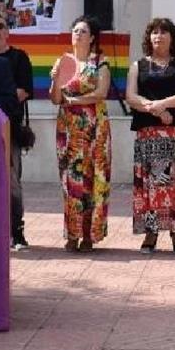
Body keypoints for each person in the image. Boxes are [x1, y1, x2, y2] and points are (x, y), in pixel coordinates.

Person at [126, 17, 175, 254]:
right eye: (154, 32)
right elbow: (131, 97)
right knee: (151, 185)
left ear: (172, 37)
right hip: (148, 134)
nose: (158, 36)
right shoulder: (138, 65)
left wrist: (163, 105)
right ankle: (150, 233)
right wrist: (154, 109)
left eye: (163, 32)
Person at [50, 15, 112, 253]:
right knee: (70, 181)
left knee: (94, 179)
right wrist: (55, 81)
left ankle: (90, 234)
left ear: (92, 37)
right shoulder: (63, 62)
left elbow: (101, 93)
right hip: (68, 130)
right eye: (75, 30)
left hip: (96, 128)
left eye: (83, 31)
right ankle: (72, 233)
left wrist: (74, 100)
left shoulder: (100, 62)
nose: (78, 34)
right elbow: (56, 99)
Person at [0, 10, 35, 251]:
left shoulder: (18, 58)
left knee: (11, 182)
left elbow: (21, 93)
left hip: (9, 129)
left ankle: (17, 232)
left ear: (7, 32)